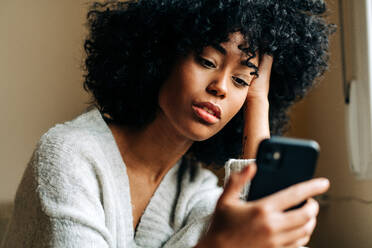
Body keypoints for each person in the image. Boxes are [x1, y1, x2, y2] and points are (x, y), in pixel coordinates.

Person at [1, 0, 333, 247]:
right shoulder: (67, 156)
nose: (220, 86)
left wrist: (259, 100)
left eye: (241, 81)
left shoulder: (196, 191)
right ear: (161, 54)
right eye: (207, 61)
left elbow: (256, 230)